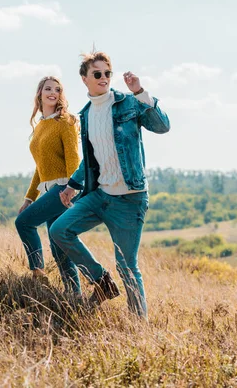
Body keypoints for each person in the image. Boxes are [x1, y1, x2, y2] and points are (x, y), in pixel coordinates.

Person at [49, 52, 171, 318]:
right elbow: (92, 160)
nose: (103, 78)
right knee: (59, 230)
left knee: (127, 267)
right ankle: (101, 281)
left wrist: (139, 91)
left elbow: (162, 126)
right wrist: (72, 184)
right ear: (85, 79)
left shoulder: (127, 103)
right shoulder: (86, 114)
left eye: (107, 73)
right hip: (100, 195)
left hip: (129, 199)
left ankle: (140, 328)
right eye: (97, 74)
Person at [15, 76, 82, 294]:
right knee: (58, 246)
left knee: (24, 223)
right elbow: (40, 167)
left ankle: (38, 273)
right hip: (47, 189)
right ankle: (74, 295)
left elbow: (73, 158)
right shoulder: (41, 126)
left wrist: (72, 189)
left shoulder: (65, 121)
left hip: (63, 189)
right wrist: (29, 198)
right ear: (40, 93)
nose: (53, 92)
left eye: (57, 89)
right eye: (48, 89)